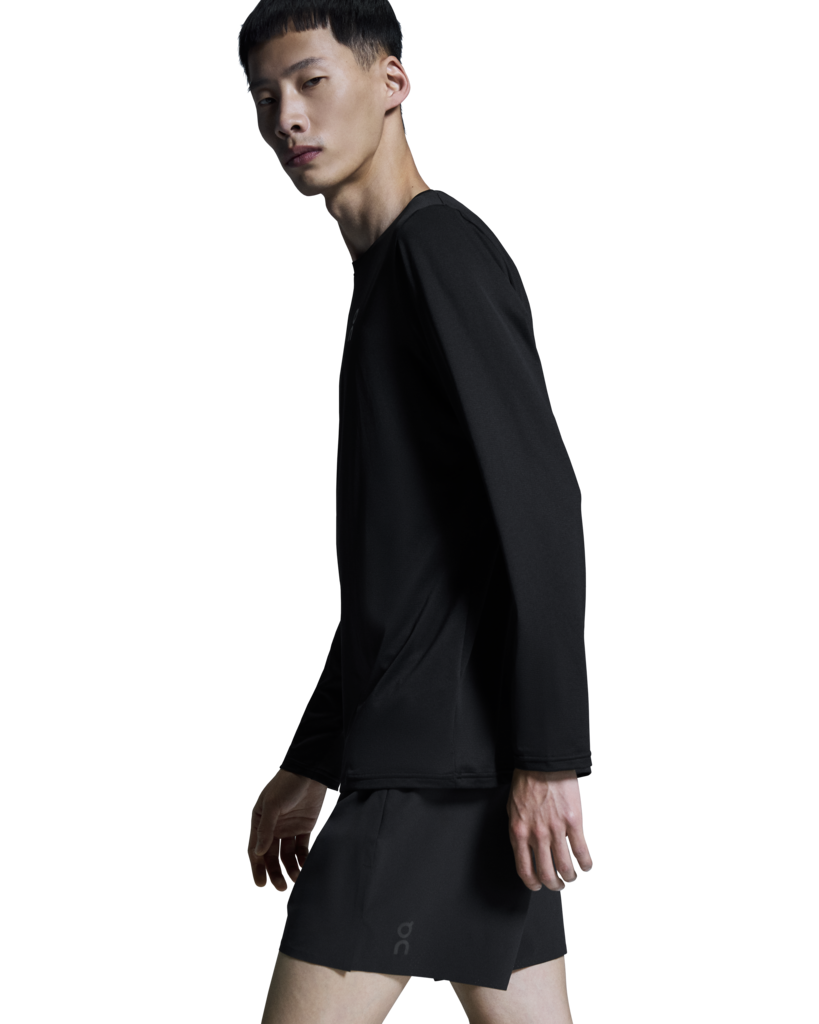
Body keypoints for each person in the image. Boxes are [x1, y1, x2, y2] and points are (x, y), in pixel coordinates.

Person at [239, 4, 594, 1022]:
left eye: (311, 81)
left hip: (437, 772)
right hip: (444, 756)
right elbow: (408, 570)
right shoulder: (386, 276)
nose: (287, 116)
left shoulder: (437, 251)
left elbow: (542, 507)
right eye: (264, 98)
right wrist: (311, 756)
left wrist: (551, 758)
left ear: (391, 82)